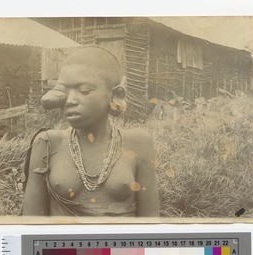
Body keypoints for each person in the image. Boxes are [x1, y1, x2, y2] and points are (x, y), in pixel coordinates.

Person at [22, 46, 159, 217]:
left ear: (114, 94)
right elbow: (32, 225)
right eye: (64, 92)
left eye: (84, 91)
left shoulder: (138, 143)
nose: (70, 101)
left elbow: (149, 223)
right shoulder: (47, 143)